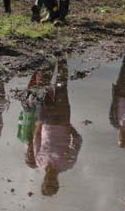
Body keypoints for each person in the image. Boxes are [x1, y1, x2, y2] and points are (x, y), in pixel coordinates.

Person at [33, 59, 82, 196]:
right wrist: (69, 125)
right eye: (53, 184)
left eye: (47, 183)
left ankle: (49, 58)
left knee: (43, 88)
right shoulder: (67, 164)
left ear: (43, 181)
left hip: (45, 119)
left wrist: (39, 123)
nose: (51, 181)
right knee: (61, 86)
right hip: (62, 117)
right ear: (57, 183)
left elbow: (36, 139)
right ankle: (62, 58)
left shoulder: (39, 162)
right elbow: (78, 141)